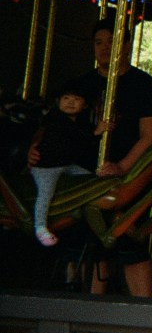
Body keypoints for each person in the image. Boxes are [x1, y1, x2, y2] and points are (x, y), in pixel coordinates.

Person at [31, 16, 152, 302]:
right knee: (86, 243)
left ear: (127, 45)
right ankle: (91, 314)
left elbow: (151, 136)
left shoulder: (146, 87)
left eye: (113, 42)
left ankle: (145, 316)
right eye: (99, 43)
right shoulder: (81, 85)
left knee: (132, 245)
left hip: (127, 177)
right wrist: (36, 147)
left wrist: (122, 167)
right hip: (85, 174)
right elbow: (53, 124)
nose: (105, 48)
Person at [27, 80, 107, 246]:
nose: (71, 102)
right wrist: (97, 132)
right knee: (45, 193)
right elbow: (79, 137)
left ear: (85, 105)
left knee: (89, 178)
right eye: (66, 98)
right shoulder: (56, 118)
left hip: (64, 164)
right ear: (58, 102)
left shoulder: (76, 123)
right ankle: (40, 227)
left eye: (77, 99)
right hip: (46, 167)